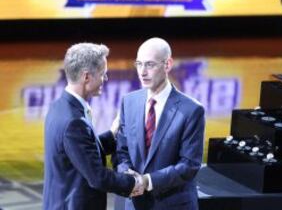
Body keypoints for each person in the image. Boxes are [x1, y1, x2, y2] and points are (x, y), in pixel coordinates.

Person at [43, 43, 141, 210]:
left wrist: (111, 135)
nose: (106, 79)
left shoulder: (59, 107)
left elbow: (80, 153)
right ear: (86, 77)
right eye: (103, 74)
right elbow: (98, 177)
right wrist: (135, 182)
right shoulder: (74, 122)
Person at [115, 37, 205, 210]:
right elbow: (122, 151)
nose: (142, 72)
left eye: (149, 64)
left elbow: (189, 165)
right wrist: (129, 177)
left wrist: (148, 181)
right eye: (139, 64)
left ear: (168, 65)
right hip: (135, 203)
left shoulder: (191, 110)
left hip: (173, 204)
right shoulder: (129, 102)